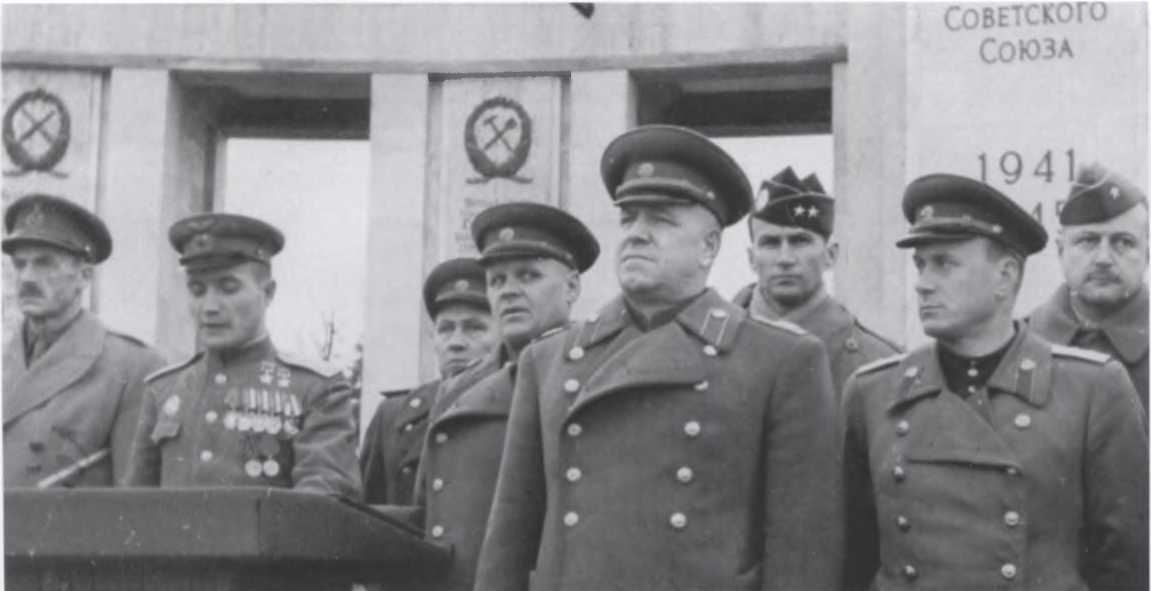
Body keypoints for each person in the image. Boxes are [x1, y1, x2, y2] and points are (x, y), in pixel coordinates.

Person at [474, 125, 841, 591]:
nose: (637, 235)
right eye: (628, 219)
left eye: (661, 221)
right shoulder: (547, 362)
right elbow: (507, 547)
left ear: (709, 246)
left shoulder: (780, 360)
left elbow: (801, 556)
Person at [842, 174, 1148, 591]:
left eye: (944, 263)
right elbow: (852, 558)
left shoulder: (1093, 390)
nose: (923, 283)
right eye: (921, 264)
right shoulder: (872, 392)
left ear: (1005, 276)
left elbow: (1125, 564)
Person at [414, 201, 599, 591]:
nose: (509, 291)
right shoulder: (457, 393)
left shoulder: (601, 375)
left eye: (528, 275)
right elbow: (428, 517)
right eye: (497, 280)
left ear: (571, 287)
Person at [122, 213, 361, 498]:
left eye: (228, 288)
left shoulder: (317, 389)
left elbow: (322, 502)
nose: (209, 307)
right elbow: (134, 506)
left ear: (268, 293)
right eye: (197, 291)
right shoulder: (163, 389)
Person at [3, 194, 165, 488]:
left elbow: (131, 499)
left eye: (44, 264)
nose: (27, 277)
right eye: (20, 264)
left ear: (84, 277)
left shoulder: (132, 367)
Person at [735, 166, 901, 397]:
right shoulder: (713, 343)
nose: (785, 259)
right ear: (752, 259)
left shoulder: (877, 363)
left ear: (830, 255)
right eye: (770, 243)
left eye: (799, 241)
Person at [360, 257, 496, 505]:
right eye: (446, 329)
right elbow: (365, 512)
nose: (456, 342)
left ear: (502, 335)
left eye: (474, 328)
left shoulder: (523, 403)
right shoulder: (394, 416)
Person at [1029, 163, 1148, 411]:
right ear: (1061, 251)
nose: (1103, 258)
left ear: (1147, 254)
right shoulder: (1020, 342)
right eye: (1088, 241)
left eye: (1123, 242)